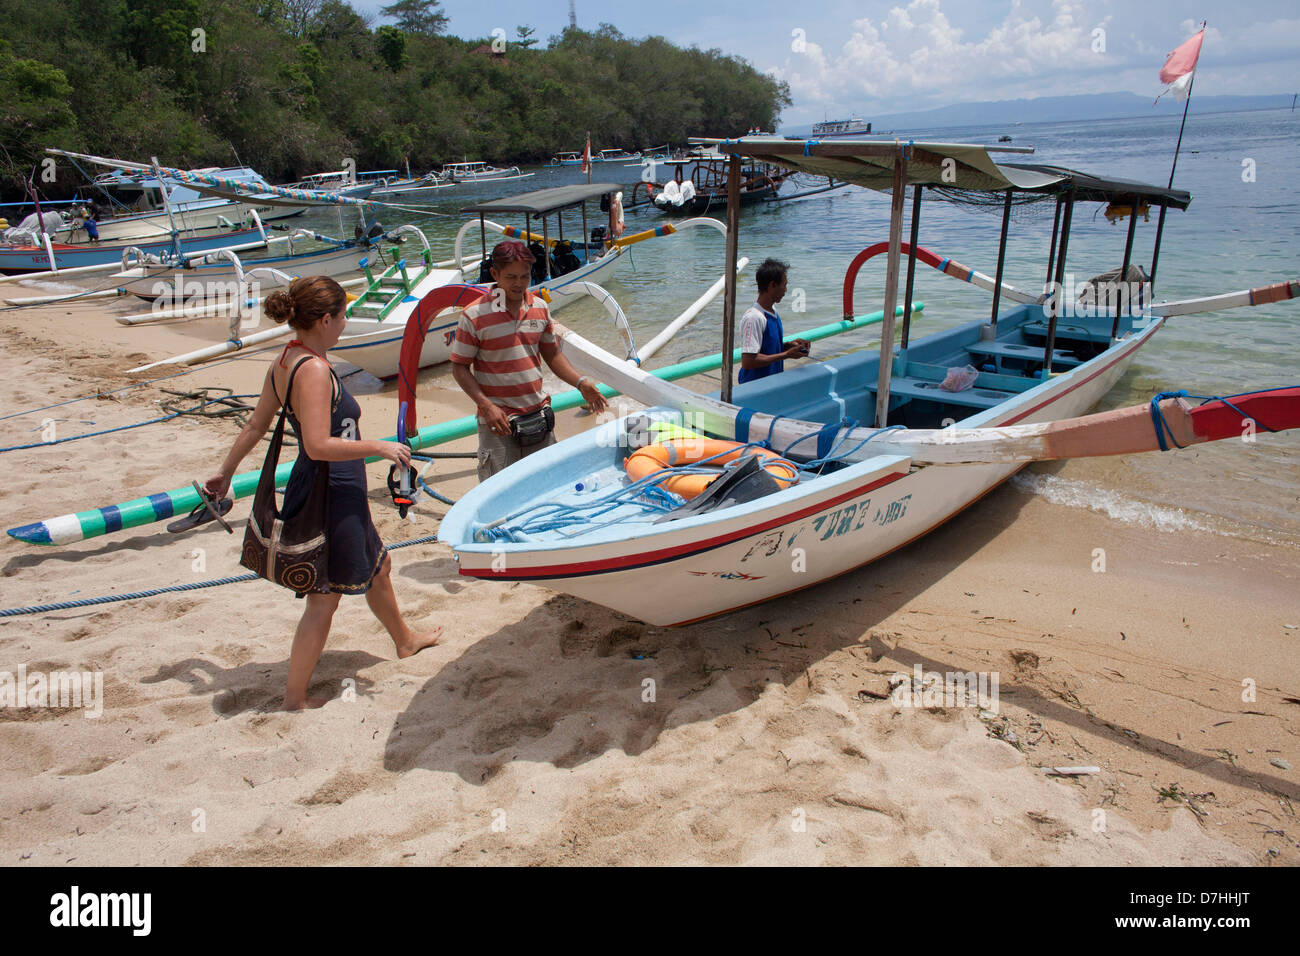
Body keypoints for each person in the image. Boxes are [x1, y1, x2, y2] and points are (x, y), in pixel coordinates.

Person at [204, 276, 439, 710]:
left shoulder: (287, 359)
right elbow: (317, 444)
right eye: (343, 316)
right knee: (324, 597)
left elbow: (256, 426)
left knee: (377, 565)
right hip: (331, 488)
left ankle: (405, 640)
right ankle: (294, 697)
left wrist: (224, 472)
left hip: (330, 484)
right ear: (326, 319)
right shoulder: (312, 370)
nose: (345, 323)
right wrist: (380, 447)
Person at [450, 240, 609, 480]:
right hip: (499, 422)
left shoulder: (540, 308)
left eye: (525, 277)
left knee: (546, 486)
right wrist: (487, 406)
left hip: (539, 415)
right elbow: (459, 367)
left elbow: (552, 355)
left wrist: (581, 383)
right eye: (511, 277)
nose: (519, 284)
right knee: (499, 492)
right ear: (495, 274)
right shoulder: (474, 315)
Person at [738, 258, 810, 384]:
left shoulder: (773, 313)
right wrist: (787, 354)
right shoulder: (753, 318)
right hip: (755, 388)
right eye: (784, 285)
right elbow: (748, 361)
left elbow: (766, 349)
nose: (785, 290)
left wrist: (789, 346)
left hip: (771, 384)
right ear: (772, 285)